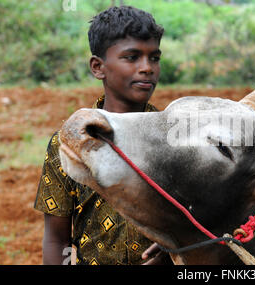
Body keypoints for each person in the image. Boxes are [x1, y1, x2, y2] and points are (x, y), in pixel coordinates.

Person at [34, 5, 169, 265]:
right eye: (132, 57)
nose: (147, 68)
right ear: (98, 67)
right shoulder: (70, 143)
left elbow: (201, 221)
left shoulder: (175, 137)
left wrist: (172, 248)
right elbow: (56, 239)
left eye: (154, 58)